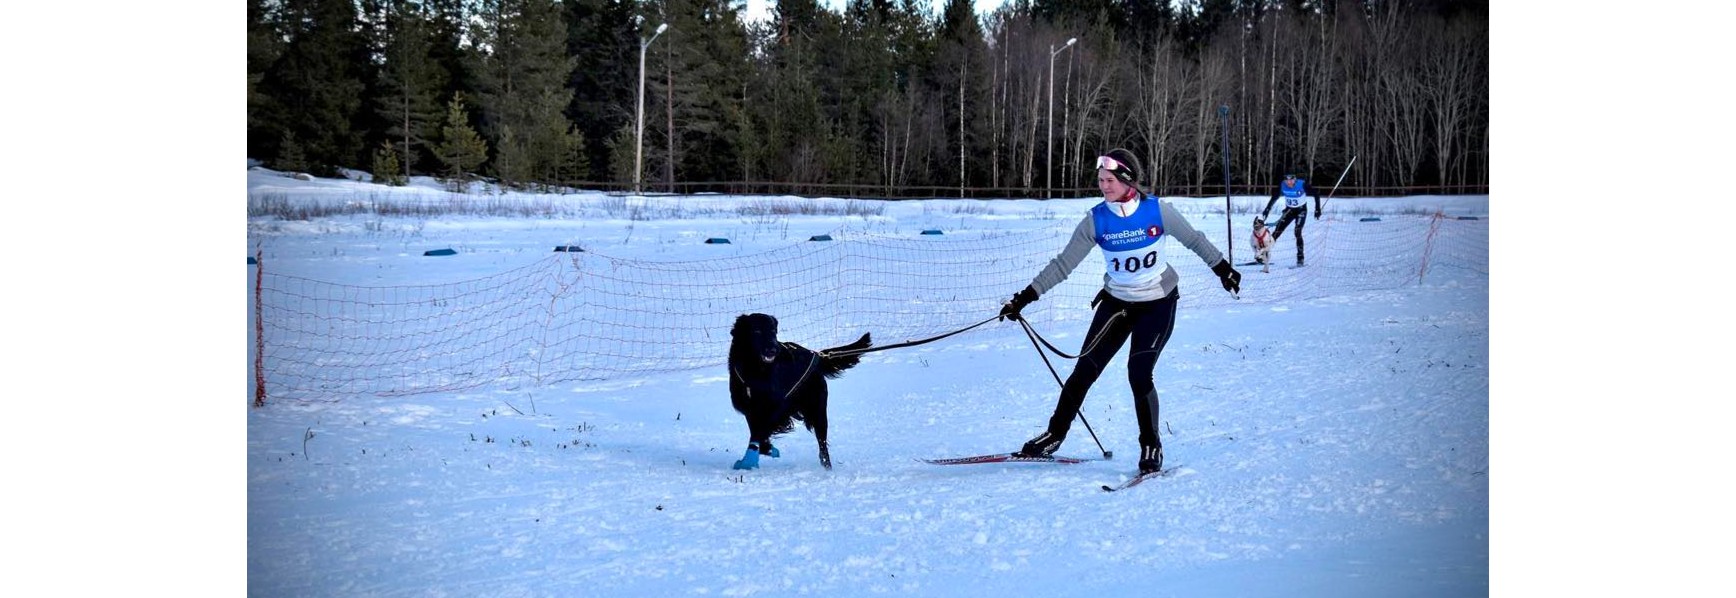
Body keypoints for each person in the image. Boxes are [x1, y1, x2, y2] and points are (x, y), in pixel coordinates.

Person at [997, 148, 1241, 475]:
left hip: (1158, 302)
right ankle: (1054, 435)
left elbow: (1194, 240)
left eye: (1109, 180)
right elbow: (1063, 266)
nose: (1103, 186)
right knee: (1084, 370)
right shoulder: (1096, 220)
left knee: (1139, 372)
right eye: (1100, 180)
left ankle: (1151, 444)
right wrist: (1024, 298)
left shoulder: (1158, 212)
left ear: (1127, 181)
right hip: (1116, 305)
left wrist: (1222, 269)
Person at [1260, 170, 1322, 267]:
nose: (1289, 182)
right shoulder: (1282, 185)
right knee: (1277, 231)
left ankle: (1300, 259)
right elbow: (1274, 197)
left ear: (1295, 179)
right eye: (1286, 180)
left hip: (1301, 211)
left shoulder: (1302, 184)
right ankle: (1263, 255)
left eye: (1291, 179)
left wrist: (1317, 209)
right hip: (1289, 211)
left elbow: (1316, 194)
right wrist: (1267, 209)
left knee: (1297, 232)